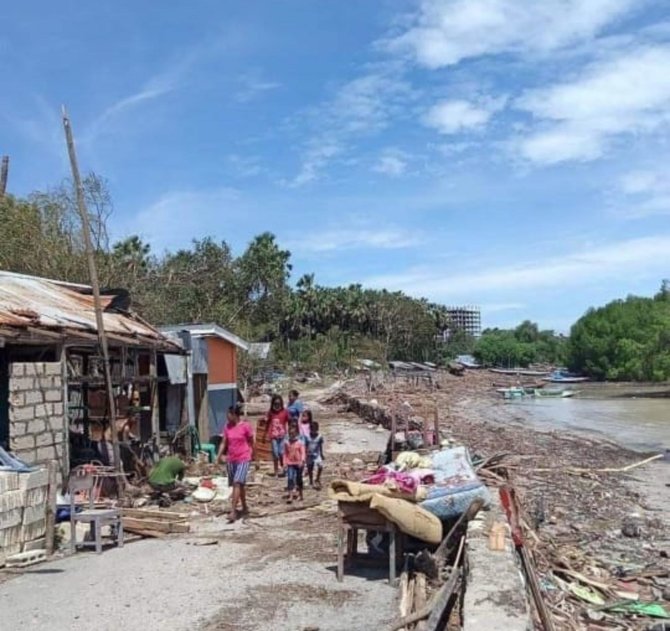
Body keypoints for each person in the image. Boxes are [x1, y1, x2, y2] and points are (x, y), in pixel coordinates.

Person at [217, 403, 254, 522]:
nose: (227, 416)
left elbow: (252, 442)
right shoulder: (227, 427)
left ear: (234, 415)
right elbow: (224, 442)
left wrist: (256, 459)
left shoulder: (245, 426)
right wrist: (218, 456)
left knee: (237, 483)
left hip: (244, 458)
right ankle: (244, 507)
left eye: (228, 414)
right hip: (231, 459)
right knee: (238, 485)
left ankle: (233, 511)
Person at [264, 394, 289, 477]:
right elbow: (266, 422)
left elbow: (290, 421)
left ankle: (283, 465)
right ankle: (276, 471)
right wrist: (265, 434)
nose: (277, 405)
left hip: (282, 435)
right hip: (273, 436)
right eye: (275, 404)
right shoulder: (271, 412)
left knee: (281, 452)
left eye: (278, 404)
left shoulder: (285, 412)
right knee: (275, 453)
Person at [283, 423, 305, 503]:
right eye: (290, 434)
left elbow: (303, 453)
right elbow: (285, 453)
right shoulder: (286, 443)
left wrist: (302, 461)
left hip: (298, 463)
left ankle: (300, 494)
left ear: (296, 433)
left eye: (293, 433)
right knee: (290, 478)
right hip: (290, 463)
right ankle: (290, 496)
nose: (291, 435)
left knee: (299, 479)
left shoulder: (300, 442)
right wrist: (284, 463)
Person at [305, 420, 325, 490]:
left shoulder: (319, 436)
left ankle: (317, 478)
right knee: (310, 468)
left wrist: (322, 454)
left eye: (315, 430)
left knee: (320, 466)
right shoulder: (307, 437)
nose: (313, 431)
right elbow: (305, 445)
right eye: (312, 430)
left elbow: (320, 445)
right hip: (309, 454)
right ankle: (311, 481)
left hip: (317, 454)